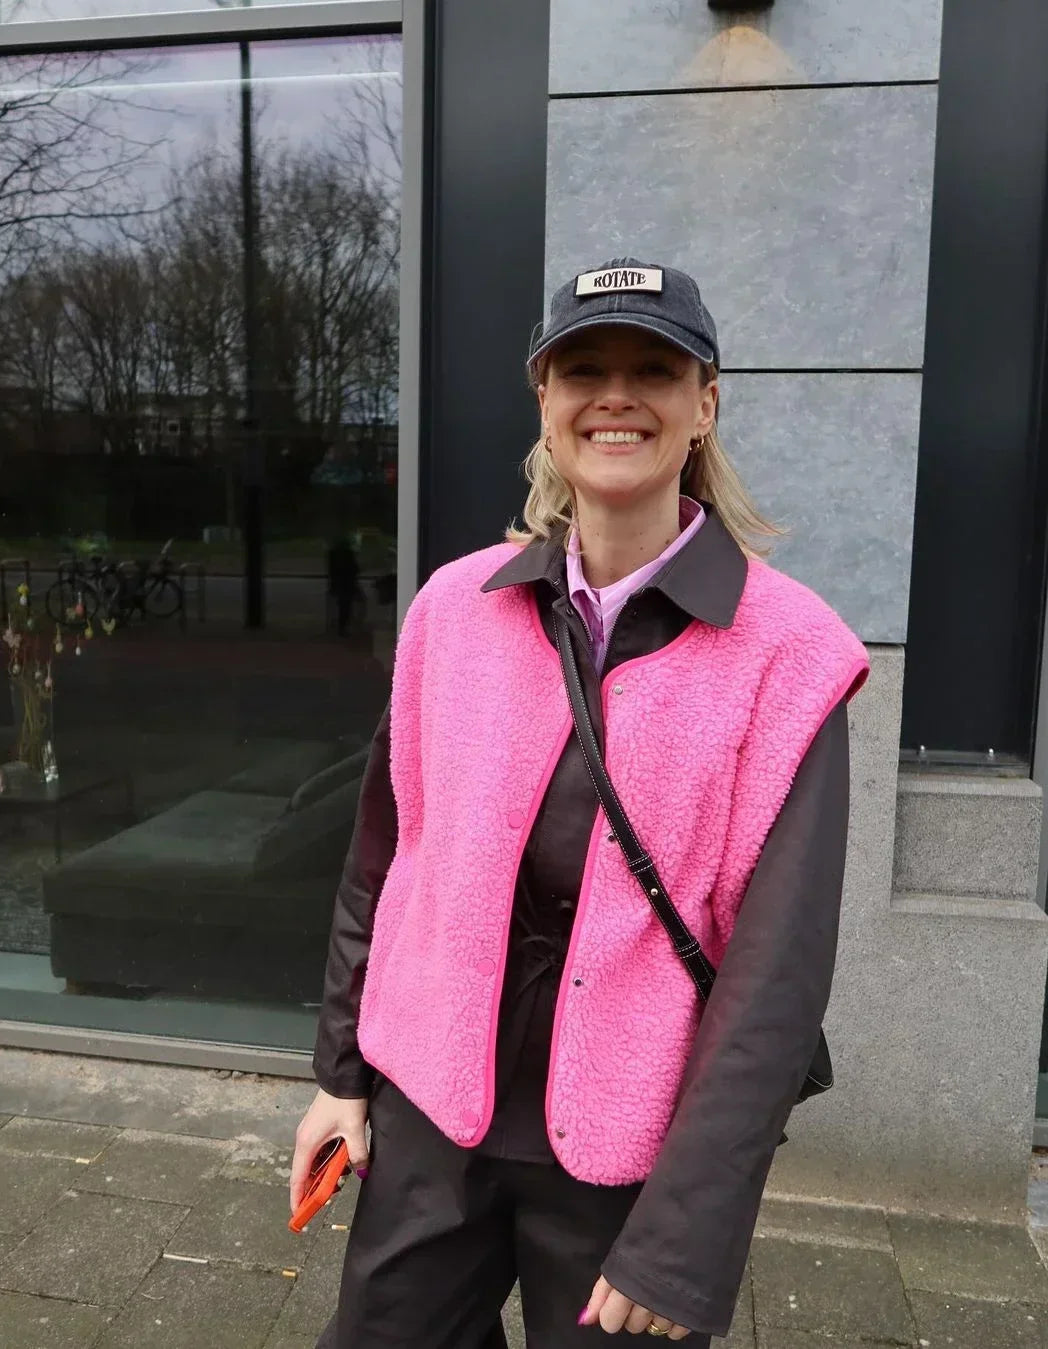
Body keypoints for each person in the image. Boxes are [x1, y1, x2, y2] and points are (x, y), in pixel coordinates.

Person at [292, 257, 871, 1345]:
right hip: (431, 1113)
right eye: (583, 367)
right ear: (544, 403)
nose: (617, 394)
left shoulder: (789, 656)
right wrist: (342, 1075)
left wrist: (685, 1238)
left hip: (628, 1150)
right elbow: (386, 856)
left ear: (704, 404)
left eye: (654, 367)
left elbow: (775, 978)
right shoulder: (451, 611)